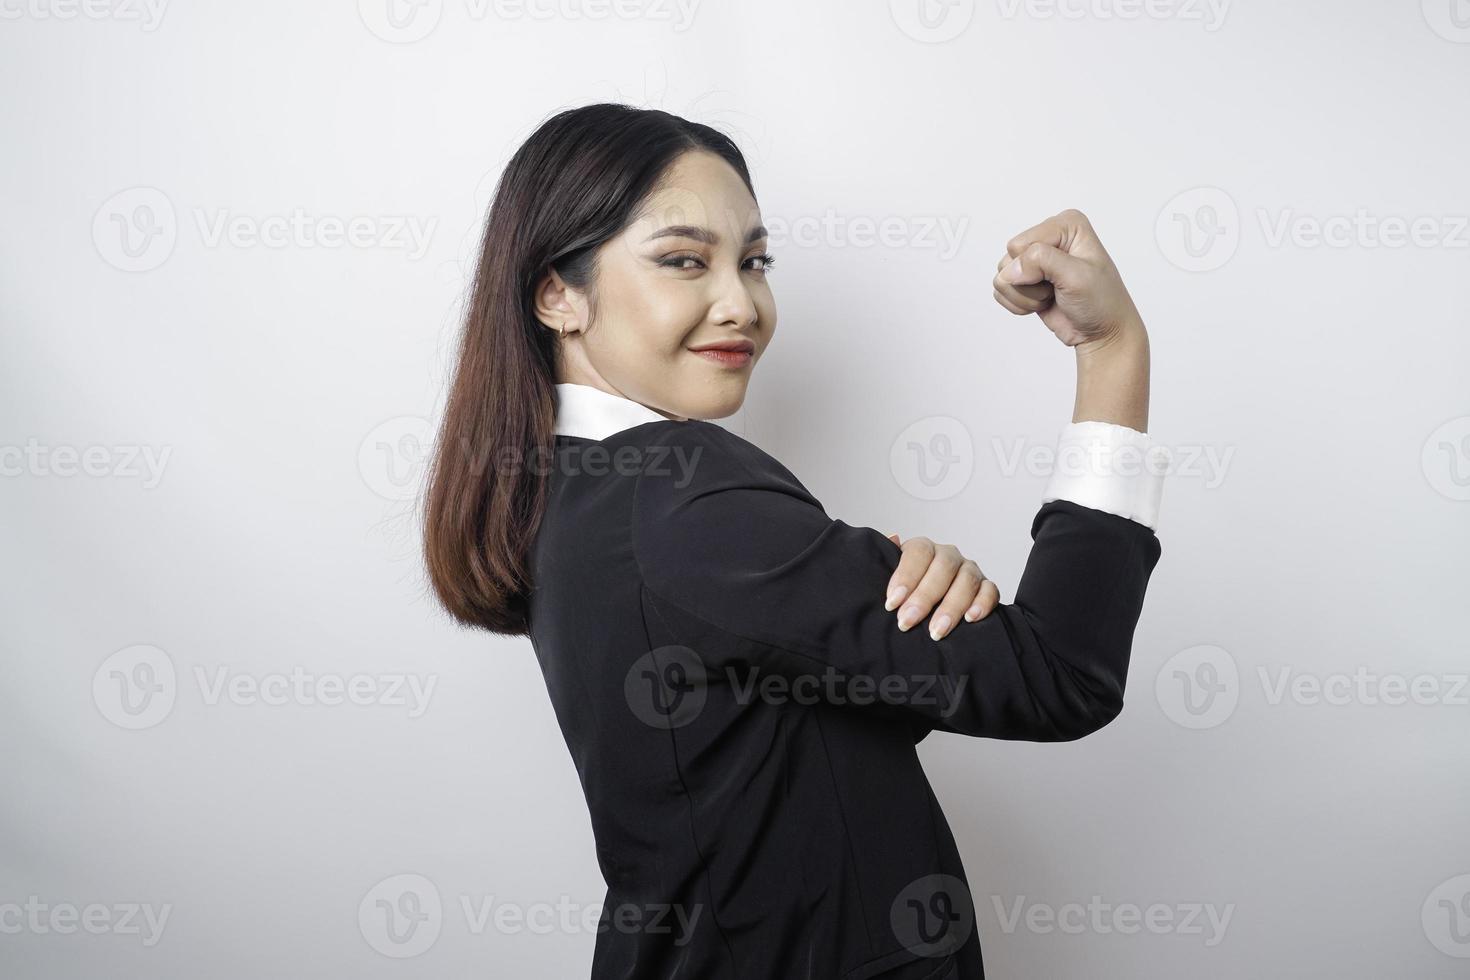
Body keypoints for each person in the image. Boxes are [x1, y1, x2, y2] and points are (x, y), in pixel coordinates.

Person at [423, 102, 1168, 979]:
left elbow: (752, 747)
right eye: (683, 261)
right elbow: (1061, 677)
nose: (741, 303)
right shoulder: (683, 489)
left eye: (755, 261)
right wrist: (1112, 348)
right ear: (559, 292)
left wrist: (890, 633)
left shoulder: (574, 490)